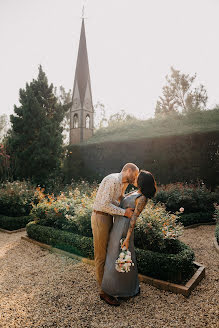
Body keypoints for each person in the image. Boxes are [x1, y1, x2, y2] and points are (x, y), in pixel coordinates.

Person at [101, 170, 157, 305]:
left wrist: (127, 238)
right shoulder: (135, 192)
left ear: (142, 181)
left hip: (124, 229)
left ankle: (119, 290)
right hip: (117, 225)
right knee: (114, 256)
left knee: (120, 258)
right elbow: (121, 201)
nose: (135, 178)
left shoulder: (142, 198)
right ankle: (117, 288)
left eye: (138, 177)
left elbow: (134, 219)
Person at [91, 163, 139, 306]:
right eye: (135, 175)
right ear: (128, 170)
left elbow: (117, 202)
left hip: (108, 217)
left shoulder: (122, 184)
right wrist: (125, 212)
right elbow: (104, 205)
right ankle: (104, 292)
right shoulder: (112, 180)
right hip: (100, 217)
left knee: (108, 253)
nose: (135, 178)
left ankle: (109, 285)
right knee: (101, 255)